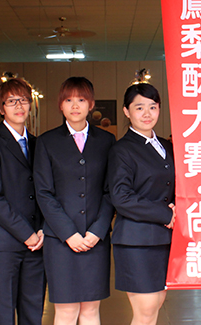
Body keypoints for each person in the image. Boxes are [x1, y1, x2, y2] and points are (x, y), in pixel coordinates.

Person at [34, 77, 116, 325]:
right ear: (61, 105)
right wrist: (68, 233)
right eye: (68, 100)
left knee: (91, 310)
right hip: (60, 241)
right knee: (66, 311)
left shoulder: (107, 141)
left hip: (95, 239)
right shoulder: (47, 142)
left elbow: (110, 191)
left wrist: (97, 231)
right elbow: (44, 193)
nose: (75, 105)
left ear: (91, 104)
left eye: (81, 99)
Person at [0, 78, 46, 325]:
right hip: (2, 244)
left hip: (37, 243)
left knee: (33, 311)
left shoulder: (39, 144)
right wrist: (26, 234)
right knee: (3, 312)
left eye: (24, 100)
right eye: (11, 101)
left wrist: (41, 230)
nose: (19, 106)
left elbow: (45, 192)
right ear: (0, 107)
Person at [108, 83, 175, 325]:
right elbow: (121, 196)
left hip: (164, 239)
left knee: (156, 304)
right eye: (139, 108)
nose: (147, 114)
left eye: (152, 107)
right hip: (136, 240)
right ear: (126, 111)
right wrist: (166, 214)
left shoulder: (167, 146)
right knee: (145, 309)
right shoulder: (122, 150)